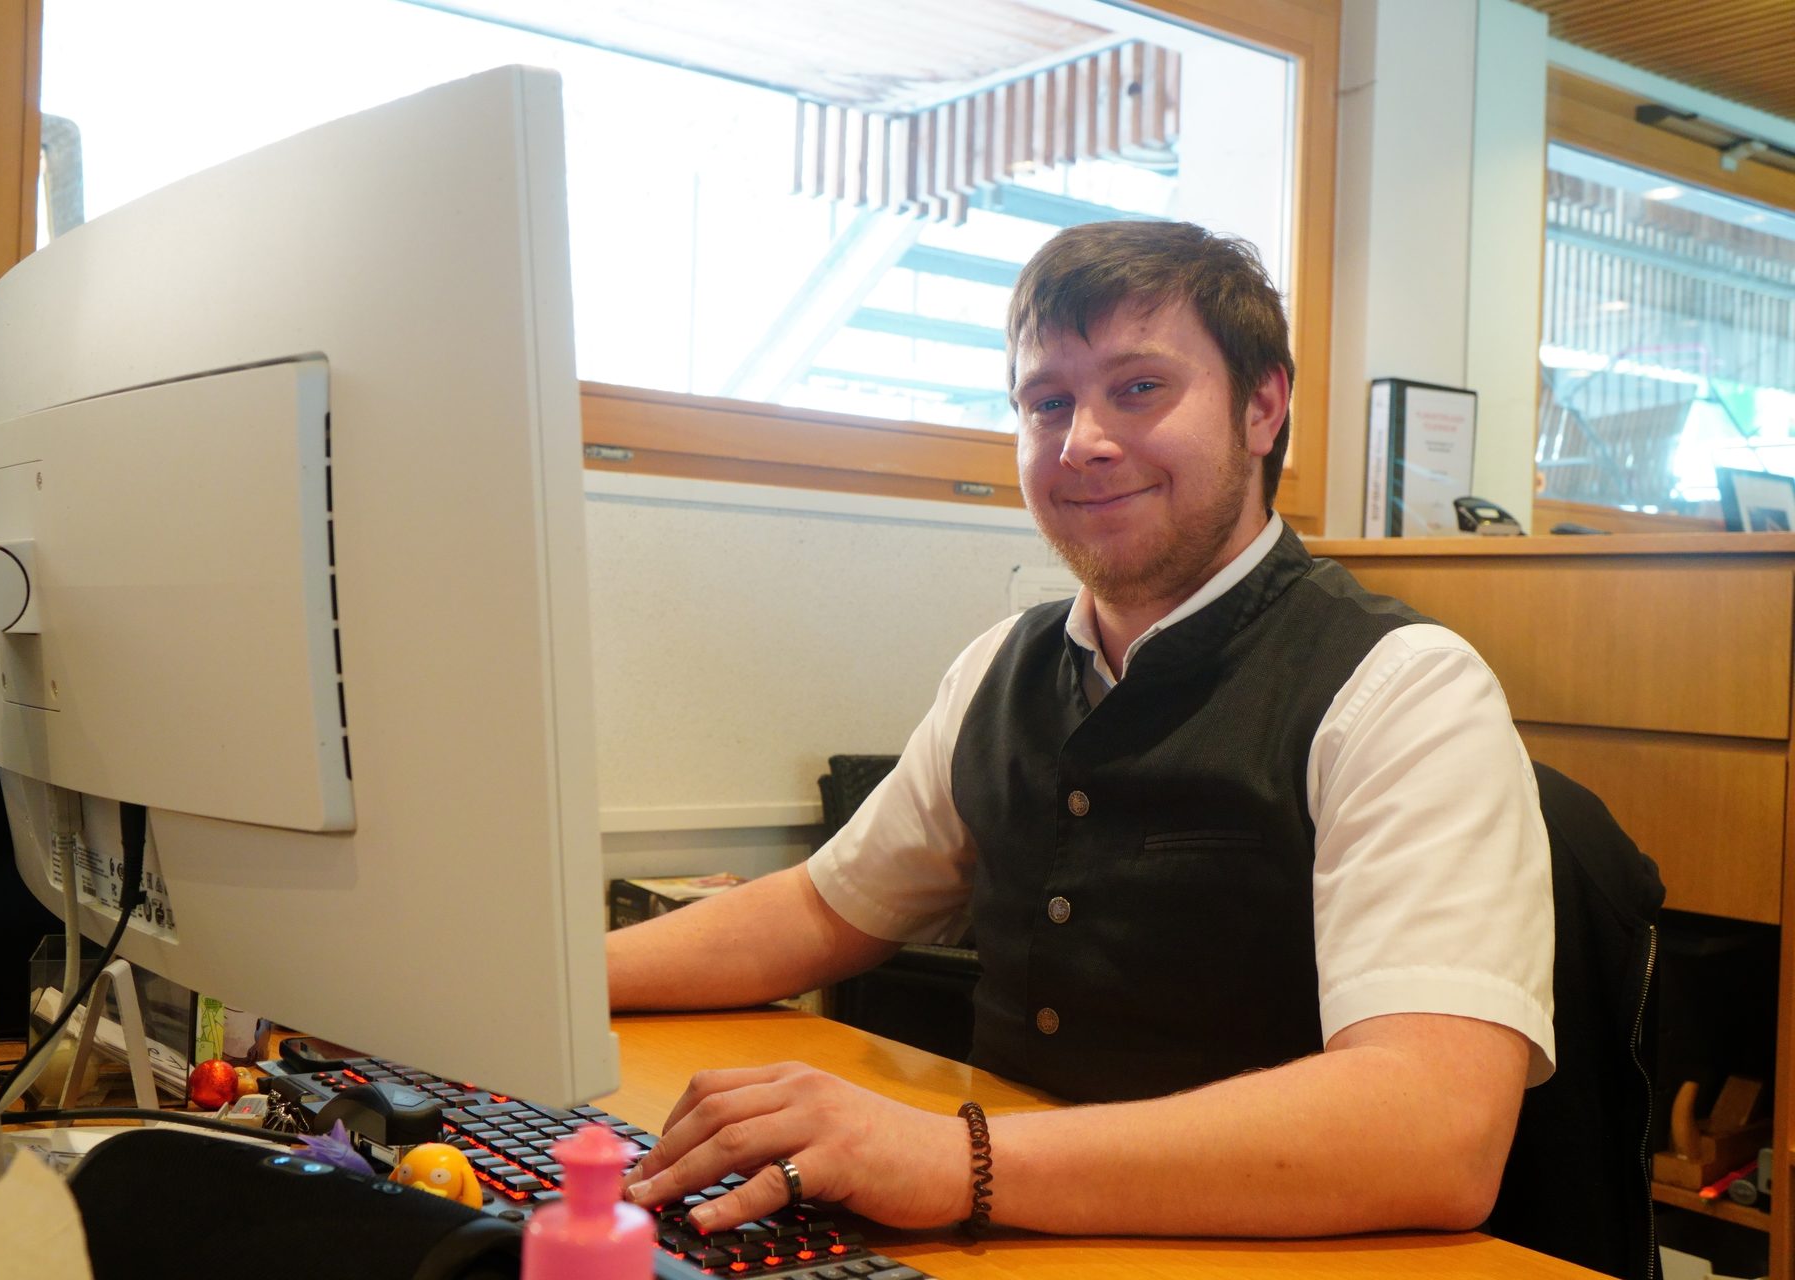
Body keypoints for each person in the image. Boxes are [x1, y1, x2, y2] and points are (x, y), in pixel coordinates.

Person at [605, 220, 1554, 1241]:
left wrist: (951, 1154)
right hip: (1006, 1235)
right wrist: (549, 976)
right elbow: (820, 908)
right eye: (1047, 401)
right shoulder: (997, 670)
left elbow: (1438, 1127)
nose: (1083, 440)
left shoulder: (1405, 690)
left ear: (1263, 407)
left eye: (1139, 388)